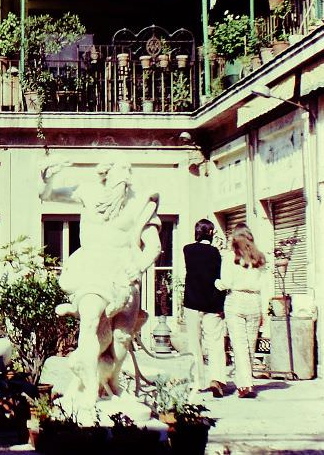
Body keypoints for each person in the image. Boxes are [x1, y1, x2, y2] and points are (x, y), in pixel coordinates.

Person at [39, 159, 161, 412]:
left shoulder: (139, 202)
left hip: (123, 274)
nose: (125, 175)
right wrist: (48, 178)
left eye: (128, 171)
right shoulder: (88, 192)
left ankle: (112, 382)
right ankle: (88, 384)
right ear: (105, 174)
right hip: (92, 269)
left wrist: (139, 265)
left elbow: (154, 246)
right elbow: (46, 195)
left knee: (121, 338)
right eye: (120, 170)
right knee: (91, 319)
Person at [214, 223, 270, 399]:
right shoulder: (259, 259)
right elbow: (264, 287)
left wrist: (216, 283)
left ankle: (245, 385)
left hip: (236, 300)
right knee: (250, 345)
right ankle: (247, 382)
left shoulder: (230, 257)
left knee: (239, 345)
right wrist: (264, 311)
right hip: (254, 301)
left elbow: (226, 282)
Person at [183, 219, 227, 398]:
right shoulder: (216, 253)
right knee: (215, 343)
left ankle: (199, 381)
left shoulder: (187, 250)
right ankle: (216, 379)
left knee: (196, 344)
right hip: (212, 303)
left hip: (192, 302)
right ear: (211, 232)